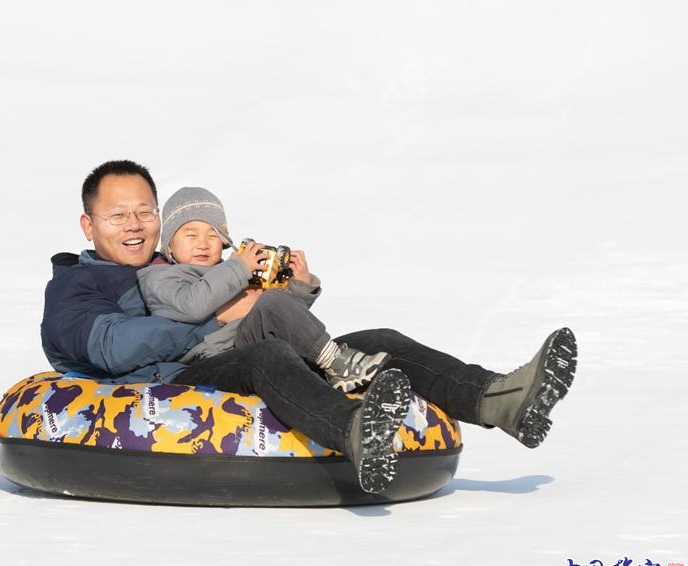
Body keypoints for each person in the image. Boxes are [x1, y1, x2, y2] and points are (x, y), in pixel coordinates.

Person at [40, 159, 578, 494]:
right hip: (174, 377)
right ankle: (355, 433)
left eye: (144, 212)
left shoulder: (173, 262)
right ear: (89, 224)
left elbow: (254, 311)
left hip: (226, 349)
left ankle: (498, 398)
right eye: (118, 215)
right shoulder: (76, 288)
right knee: (267, 358)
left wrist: (289, 292)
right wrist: (218, 316)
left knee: (375, 342)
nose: (134, 226)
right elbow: (115, 347)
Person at [135, 186, 389, 393]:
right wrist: (238, 268)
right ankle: (336, 364)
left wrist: (299, 287)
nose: (203, 244)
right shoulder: (160, 276)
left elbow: (281, 316)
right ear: (169, 245)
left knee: (274, 304)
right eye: (191, 235)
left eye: (213, 236)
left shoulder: (229, 272)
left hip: (246, 344)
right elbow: (191, 305)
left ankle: (347, 377)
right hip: (209, 360)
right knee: (271, 307)